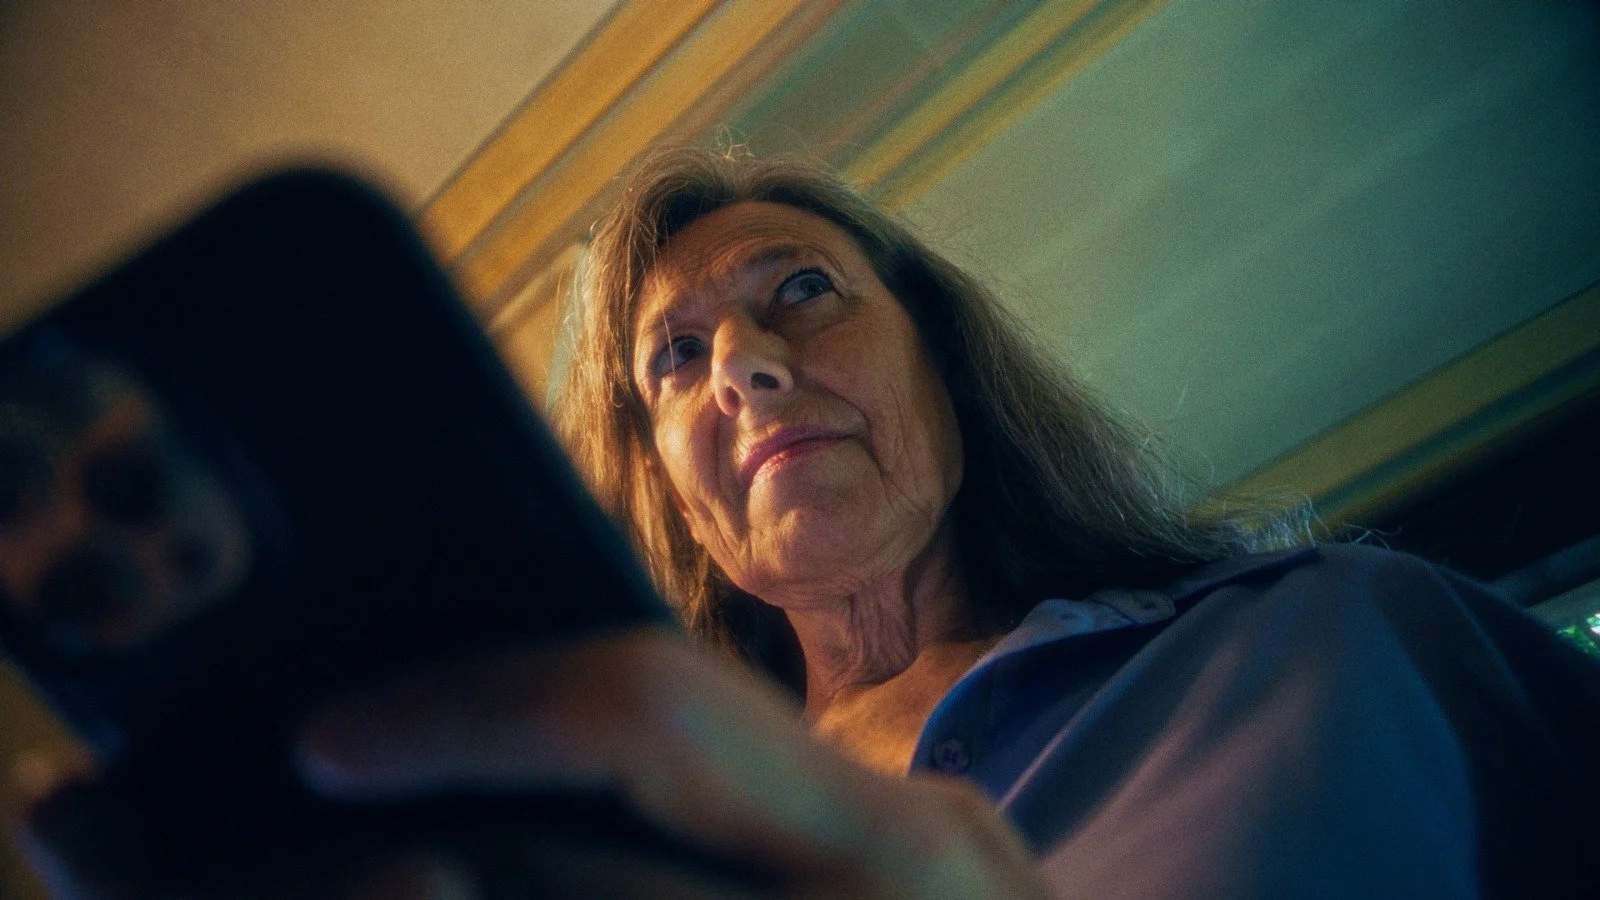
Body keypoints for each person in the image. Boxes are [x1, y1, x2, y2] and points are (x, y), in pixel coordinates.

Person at [24, 147, 1600, 897]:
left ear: (942, 364)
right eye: (677, 362)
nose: (749, 365)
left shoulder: (1347, 639)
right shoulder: (585, 854)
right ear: (683, 505)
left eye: (800, 294)